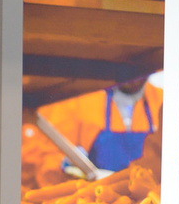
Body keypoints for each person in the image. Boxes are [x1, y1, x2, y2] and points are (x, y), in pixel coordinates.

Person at [22, 76, 163, 187]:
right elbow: (47, 157)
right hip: (95, 200)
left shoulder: (162, 100)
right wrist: (63, 166)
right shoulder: (80, 100)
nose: (133, 79)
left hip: (148, 200)